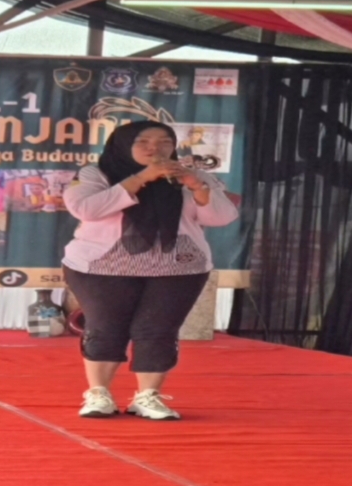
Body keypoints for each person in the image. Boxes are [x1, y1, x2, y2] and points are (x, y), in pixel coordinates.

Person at [62, 120, 238, 421]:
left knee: (159, 330)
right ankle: (99, 394)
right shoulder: (96, 174)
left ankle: (147, 396)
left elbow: (222, 217)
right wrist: (143, 177)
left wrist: (197, 186)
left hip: (178, 266)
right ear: (123, 144)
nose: (155, 148)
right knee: (105, 327)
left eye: (165, 142)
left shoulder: (192, 175)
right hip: (103, 265)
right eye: (143, 141)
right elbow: (86, 210)